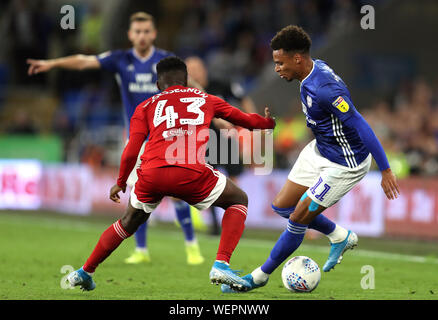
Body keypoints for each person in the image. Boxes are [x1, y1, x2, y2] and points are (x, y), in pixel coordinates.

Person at [66, 56, 276, 291]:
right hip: (190, 173)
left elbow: (131, 150)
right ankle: (221, 264)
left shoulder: (145, 107)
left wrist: (121, 182)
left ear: (157, 84)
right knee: (238, 200)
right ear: (186, 81)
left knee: (127, 222)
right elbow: (245, 120)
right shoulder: (206, 99)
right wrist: (267, 123)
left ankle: (84, 271)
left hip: (152, 175)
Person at [221, 25, 400, 293]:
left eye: (280, 63)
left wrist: (385, 169)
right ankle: (339, 236)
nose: (277, 69)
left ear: (297, 59)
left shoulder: (325, 89)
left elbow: (361, 124)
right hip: (320, 149)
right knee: (282, 206)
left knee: (297, 218)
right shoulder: (311, 72)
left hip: (344, 163)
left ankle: (257, 277)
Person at [27, 12, 204, 266]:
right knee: (138, 194)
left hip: (168, 136)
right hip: (137, 139)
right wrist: (53, 64)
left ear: (153, 34)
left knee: (178, 192)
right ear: (130, 35)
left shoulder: (165, 60)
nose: (142, 36)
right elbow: (83, 61)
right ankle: (141, 250)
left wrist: (213, 108)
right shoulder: (121, 60)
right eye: (137, 32)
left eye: (146, 31)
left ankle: (191, 247)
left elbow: (193, 84)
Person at [185, 56, 257, 235]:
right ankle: (215, 224)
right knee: (208, 184)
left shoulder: (221, 84)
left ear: (204, 69)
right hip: (203, 144)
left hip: (227, 140)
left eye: (196, 68)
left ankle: (235, 219)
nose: (194, 73)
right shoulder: (185, 94)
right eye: (189, 70)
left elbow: (243, 98)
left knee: (234, 181)